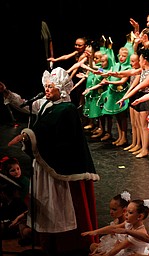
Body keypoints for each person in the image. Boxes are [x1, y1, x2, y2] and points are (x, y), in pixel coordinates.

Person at [2, 67, 100, 255]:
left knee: (60, 203)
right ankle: (47, 240)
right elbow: (23, 104)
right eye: (45, 86)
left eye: (50, 86)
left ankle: (67, 243)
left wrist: (27, 136)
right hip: (44, 163)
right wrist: (6, 92)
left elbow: (56, 135)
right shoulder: (46, 104)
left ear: (61, 88)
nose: (46, 89)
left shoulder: (67, 109)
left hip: (59, 166)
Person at [82, 199, 149, 256]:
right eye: (126, 211)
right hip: (123, 250)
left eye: (130, 212)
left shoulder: (140, 232)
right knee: (93, 247)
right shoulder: (129, 224)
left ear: (140, 216)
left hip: (132, 254)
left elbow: (120, 246)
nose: (125, 214)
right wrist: (95, 232)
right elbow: (113, 228)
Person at [0, 156, 32, 245]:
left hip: (25, 215)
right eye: (13, 170)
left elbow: (27, 205)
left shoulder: (25, 182)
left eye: (18, 169)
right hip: (13, 215)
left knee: (25, 231)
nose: (17, 172)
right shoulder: (7, 184)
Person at [89, 191, 131, 255]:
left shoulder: (127, 223)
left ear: (124, 210)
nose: (111, 212)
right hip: (112, 243)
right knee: (93, 246)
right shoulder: (116, 220)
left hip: (121, 247)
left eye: (114, 209)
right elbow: (110, 236)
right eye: (110, 209)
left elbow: (121, 244)